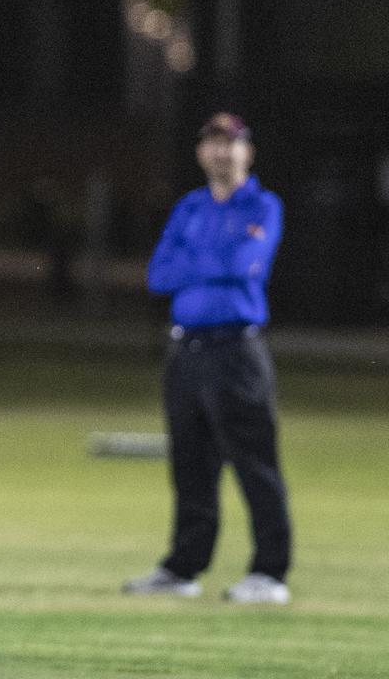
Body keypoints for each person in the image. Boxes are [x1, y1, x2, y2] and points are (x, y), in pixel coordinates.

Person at [124, 112, 293, 605]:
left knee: (254, 463)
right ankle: (183, 568)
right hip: (186, 350)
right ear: (201, 152)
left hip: (236, 350)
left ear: (248, 153)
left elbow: (248, 264)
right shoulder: (191, 206)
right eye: (212, 143)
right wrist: (217, 259)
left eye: (231, 143)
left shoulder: (262, 204)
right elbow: (158, 274)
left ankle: (270, 573)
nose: (221, 152)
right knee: (191, 464)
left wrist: (196, 261)